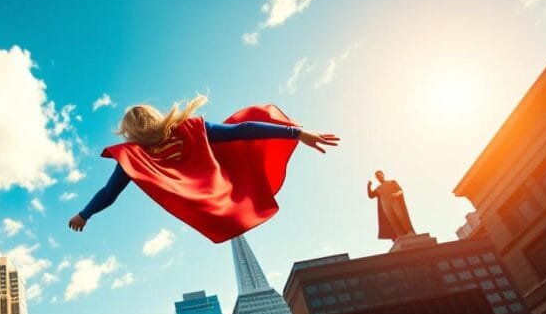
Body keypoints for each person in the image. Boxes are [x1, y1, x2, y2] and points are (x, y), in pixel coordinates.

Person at [67, 95, 339, 243]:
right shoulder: (191, 130)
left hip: (209, 199)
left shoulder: (135, 156)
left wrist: (84, 214)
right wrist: (296, 133)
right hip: (220, 193)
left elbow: (109, 192)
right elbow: (243, 130)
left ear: (129, 132)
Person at [367, 170, 415, 241]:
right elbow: (371, 195)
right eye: (377, 176)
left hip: (394, 201)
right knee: (392, 220)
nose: (379, 177)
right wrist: (368, 186)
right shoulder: (378, 188)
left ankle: (409, 231)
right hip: (385, 205)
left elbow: (400, 190)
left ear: (383, 175)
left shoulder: (392, 182)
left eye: (380, 175)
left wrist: (396, 194)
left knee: (400, 215)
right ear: (376, 178)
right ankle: (400, 235)